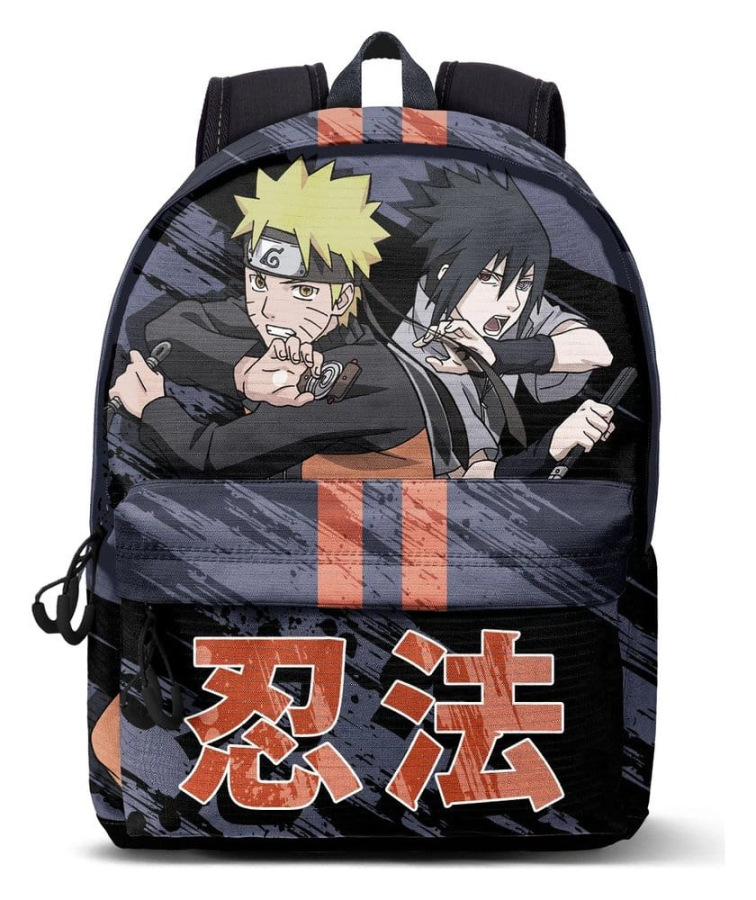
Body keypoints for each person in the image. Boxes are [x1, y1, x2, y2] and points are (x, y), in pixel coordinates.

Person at [109, 158, 434, 479]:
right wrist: (244, 374)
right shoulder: (290, 322)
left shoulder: (371, 374)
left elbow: (212, 458)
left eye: (302, 291)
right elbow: (167, 327)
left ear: (342, 299)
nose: (269, 310)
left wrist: (151, 407)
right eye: (259, 282)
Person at [393, 167, 614, 478]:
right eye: (488, 278)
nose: (511, 302)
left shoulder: (497, 309)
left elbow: (597, 351)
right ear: (445, 273)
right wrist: (553, 445)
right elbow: (472, 480)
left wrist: (498, 355)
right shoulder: (424, 356)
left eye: (523, 284)